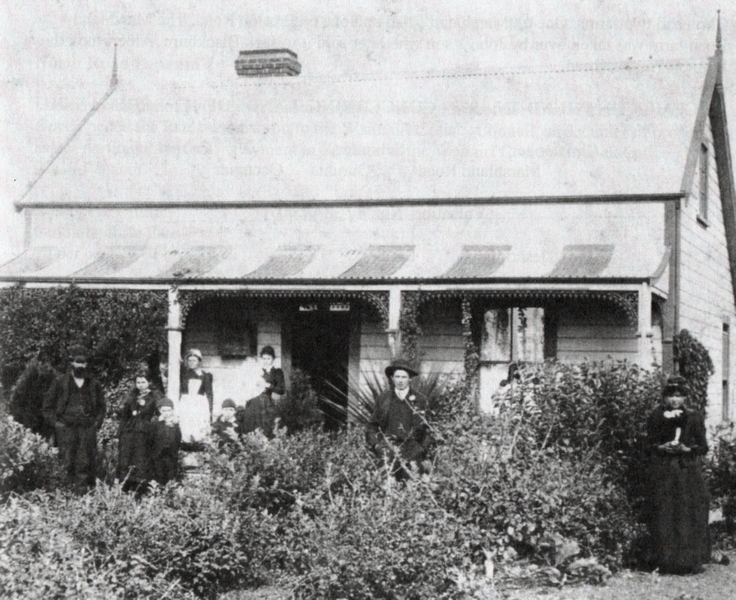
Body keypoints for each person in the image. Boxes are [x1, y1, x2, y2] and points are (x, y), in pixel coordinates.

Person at [646, 375, 710, 574]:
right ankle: (666, 561)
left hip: (687, 472)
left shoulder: (694, 416)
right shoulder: (656, 415)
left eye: (679, 396)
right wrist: (661, 446)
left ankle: (688, 562)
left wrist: (687, 449)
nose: (674, 400)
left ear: (685, 398)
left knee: (687, 513)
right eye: (670, 396)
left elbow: (703, 447)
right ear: (664, 398)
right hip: (664, 471)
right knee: (665, 512)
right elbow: (647, 445)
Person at [42, 344, 106, 494]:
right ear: (72, 363)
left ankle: (83, 494)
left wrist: (96, 425)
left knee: (85, 461)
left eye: (83, 363)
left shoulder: (94, 384)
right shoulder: (60, 382)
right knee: (66, 459)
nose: (81, 366)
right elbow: (47, 407)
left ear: (87, 364)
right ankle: (65, 493)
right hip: (66, 428)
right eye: (78, 362)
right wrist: (57, 425)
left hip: (87, 428)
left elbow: (102, 408)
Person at [366, 359, 435, 478]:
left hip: (413, 452)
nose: (400, 380)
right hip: (388, 451)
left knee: (412, 489)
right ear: (392, 378)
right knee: (386, 488)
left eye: (404, 377)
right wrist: (377, 446)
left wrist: (421, 448)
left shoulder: (420, 400)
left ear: (410, 379)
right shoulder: (383, 399)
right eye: (397, 377)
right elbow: (372, 426)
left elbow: (429, 429)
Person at [117, 369, 160, 492]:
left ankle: (140, 486)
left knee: (140, 456)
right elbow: (123, 413)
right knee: (126, 455)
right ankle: (125, 484)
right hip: (130, 429)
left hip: (144, 430)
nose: (140, 385)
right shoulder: (132, 395)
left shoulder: (154, 396)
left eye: (143, 382)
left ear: (149, 382)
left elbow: (158, 412)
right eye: (138, 382)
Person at [240, 346, 286, 435]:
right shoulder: (257, 370)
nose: (266, 361)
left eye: (268, 358)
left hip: (267, 403)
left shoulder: (277, 372)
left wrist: (268, 385)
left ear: (273, 359)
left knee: (265, 428)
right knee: (251, 427)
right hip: (253, 401)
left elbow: (281, 390)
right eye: (264, 358)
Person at [178, 348, 213, 445]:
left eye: (194, 360)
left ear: (199, 362)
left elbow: (209, 394)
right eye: (189, 361)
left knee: (198, 426)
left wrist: (210, 410)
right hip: (186, 402)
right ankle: (186, 445)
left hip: (199, 403)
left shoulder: (205, 376)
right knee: (186, 425)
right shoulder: (184, 375)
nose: (191, 363)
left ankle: (198, 446)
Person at [152, 397, 181, 485]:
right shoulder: (156, 424)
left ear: (172, 411)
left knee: (171, 476)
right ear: (160, 411)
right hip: (158, 455)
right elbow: (151, 439)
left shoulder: (175, 425)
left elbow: (178, 438)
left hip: (171, 455)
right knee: (159, 476)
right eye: (163, 411)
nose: (166, 413)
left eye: (168, 410)